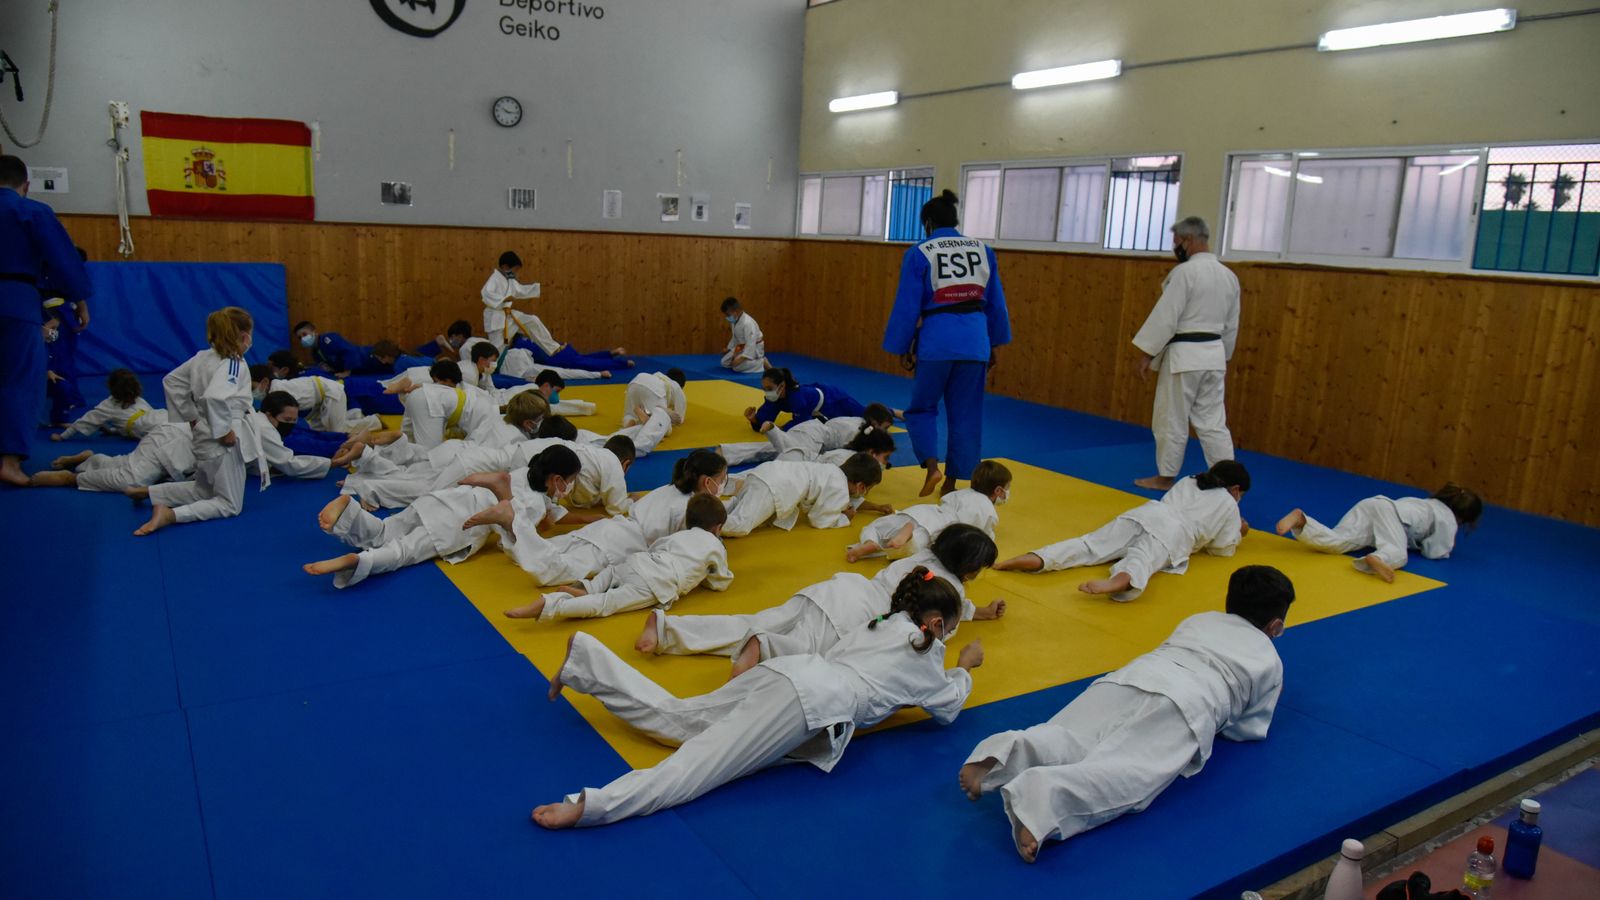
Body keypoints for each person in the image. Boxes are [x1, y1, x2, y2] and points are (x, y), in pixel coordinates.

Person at [532, 567, 982, 829]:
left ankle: (588, 663)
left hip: (796, 673)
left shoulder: (880, 622)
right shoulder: (928, 653)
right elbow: (948, 706)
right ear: (938, 622)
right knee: (700, 767)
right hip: (814, 701)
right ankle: (593, 806)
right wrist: (965, 664)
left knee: (680, 720)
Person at [958, 565, 1293, 863]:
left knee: (1071, 733)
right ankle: (1042, 798)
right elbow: (1246, 728)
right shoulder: (1269, 660)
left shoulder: (1201, 619)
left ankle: (1005, 753)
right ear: (1276, 625)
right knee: (1126, 770)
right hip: (1189, 702)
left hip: (1134, 675)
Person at [641, 523, 1002, 670]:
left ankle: (665, 627)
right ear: (968, 566)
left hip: (838, 589)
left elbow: (951, 604)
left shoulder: (922, 555)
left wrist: (981, 612)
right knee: (807, 656)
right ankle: (764, 649)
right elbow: (936, 630)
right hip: (852, 617)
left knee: (751, 621)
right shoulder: (951, 590)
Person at [305, 444, 582, 589]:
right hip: (458, 523)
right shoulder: (535, 504)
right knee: (403, 551)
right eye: (571, 480)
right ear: (557, 479)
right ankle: (358, 561)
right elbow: (514, 541)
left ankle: (349, 507)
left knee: (385, 529)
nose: (571, 486)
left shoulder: (522, 472)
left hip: (443, 500)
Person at [883, 189, 1011, 498]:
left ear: (927, 222)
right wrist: (993, 343)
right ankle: (954, 483)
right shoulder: (983, 250)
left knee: (921, 409)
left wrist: (903, 346)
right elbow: (995, 302)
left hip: (937, 341)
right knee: (966, 414)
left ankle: (932, 467)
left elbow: (907, 305)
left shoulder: (920, 251)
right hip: (975, 338)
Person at [995, 460, 1250, 602]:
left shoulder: (1191, 480)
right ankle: (1119, 580)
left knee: (1089, 544)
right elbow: (1222, 549)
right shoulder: (1229, 503)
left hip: (1145, 513)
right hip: (1174, 533)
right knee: (1142, 558)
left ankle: (1036, 558)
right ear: (1236, 489)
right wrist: (1240, 530)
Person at [1, 154, 92, 486]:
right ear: (25, 185)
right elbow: (63, 261)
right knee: (20, 380)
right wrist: (79, 301)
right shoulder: (31, 211)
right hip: (16, 301)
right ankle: (9, 461)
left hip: (19, 298)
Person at [1131, 216, 1241, 492]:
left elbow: (1166, 317)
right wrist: (1222, 355)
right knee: (1214, 422)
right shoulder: (1229, 276)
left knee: (1171, 418)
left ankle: (1166, 477)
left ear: (1188, 241)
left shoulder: (1185, 274)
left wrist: (1146, 353)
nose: (1175, 247)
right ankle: (1229, 480)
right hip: (1214, 356)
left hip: (1184, 357)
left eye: (1176, 242)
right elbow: (1231, 323)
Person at [505, 493, 733, 621]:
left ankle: (588, 587)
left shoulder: (680, 535)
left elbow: (657, 547)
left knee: (611, 574)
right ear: (718, 528)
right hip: (657, 582)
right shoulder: (716, 546)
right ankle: (551, 606)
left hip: (639, 560)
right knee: (607, 604)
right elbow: (721, 580)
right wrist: (709, 575)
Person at [131, 308, 256, 534]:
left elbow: (171, 381)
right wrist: (224, 430)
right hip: (222, 440)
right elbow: (215, 396)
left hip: (202, 433)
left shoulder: (202, 357)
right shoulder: (233, 363)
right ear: (245, 336)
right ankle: (169, 515)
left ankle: (151, 493)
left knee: (203, 490)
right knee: (230, 504)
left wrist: (190, 417)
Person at [1276, 483, 1482, 583]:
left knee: (1338, 542)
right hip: (1390, 515)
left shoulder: (1428, 503)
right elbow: (1435, 551)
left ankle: (1302, 520)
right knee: (1398, 554)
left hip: (1373, 504)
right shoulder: (1447, 519)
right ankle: (1376, 558)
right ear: (1464, 517)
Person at [847, 459, 1010, 562]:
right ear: (998, 491)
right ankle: (906, 537)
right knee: (911, 550)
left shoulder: (961, 493)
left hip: (922, 512)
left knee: (876, 526)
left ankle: (870, 542)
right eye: (1007, 488)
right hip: (940, 528)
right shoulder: (988, 510)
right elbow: (983, 538)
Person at [720, 453, 883, 538]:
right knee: (741, 525)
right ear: (861, 486)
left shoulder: (830, 470)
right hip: (776, 486)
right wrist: (844, 518)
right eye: (867, 489)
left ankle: (701, 508)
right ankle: (703, 521)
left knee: (736, 506)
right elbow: (819, 520)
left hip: (765, 472)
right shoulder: (840, 487)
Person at [720, 402, 896, 467]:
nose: (885, 432)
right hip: (813, 436)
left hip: (811, 431)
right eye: (885, 427)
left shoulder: (858, 423)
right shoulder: (857, 432)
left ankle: (726, 453)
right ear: (874, 422)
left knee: (773, 451)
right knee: (797, 461)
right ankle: (774, 431)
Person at [50, 368, 167, 441]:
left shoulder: (108, 405)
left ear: (111, 387)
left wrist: (62, 436)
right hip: (161, 415)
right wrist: (112, 431)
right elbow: (127, 422)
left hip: (151, 425)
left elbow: (84, 421)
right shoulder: (139, 399)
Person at [744, 367, 866, 434]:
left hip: (832, 398)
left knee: (865, 416)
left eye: (769, 388)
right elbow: (765, 418)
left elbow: (802, 423)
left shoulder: (797, 398)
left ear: (782, 386)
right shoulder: (773, 397)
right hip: (813, 405)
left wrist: (780, 429)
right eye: (764, 388)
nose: (766, 391)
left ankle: (885, 413)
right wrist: (754, 419)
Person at [719, 296, 767, 373]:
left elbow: (751, 343)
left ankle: (761, 362)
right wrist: (729, 348)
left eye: (728, 315)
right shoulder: (735, 320)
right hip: (741, 347)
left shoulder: (747, 323)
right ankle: (746, 363)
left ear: (736, 311)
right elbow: (735, 338)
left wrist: (742, 358)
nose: (727, 317)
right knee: (724, 362)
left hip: (754, 348)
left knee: (737, 368)